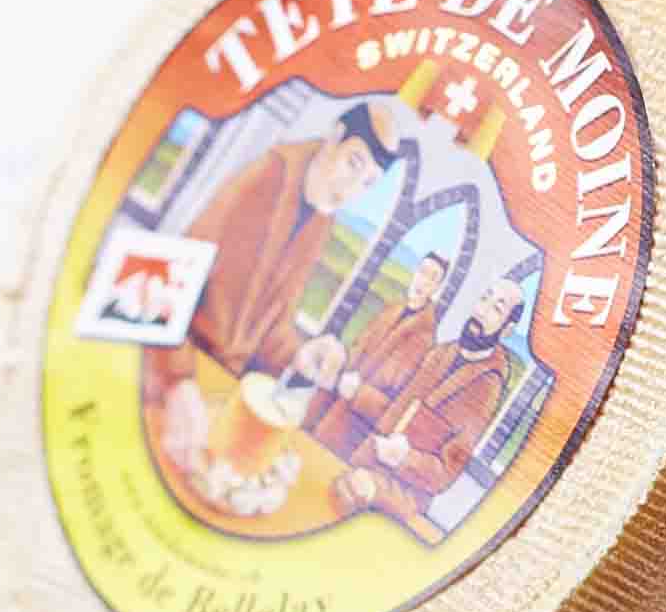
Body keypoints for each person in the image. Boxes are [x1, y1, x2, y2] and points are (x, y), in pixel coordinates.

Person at [185, 106, 390, 391]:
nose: (350, 189)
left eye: (368, 183)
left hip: (225, 376)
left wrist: (300, 357)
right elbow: (186, 271)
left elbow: (272, 323)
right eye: (353, 164)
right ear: (334, 138)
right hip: (185, 356)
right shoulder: (271, 171)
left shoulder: (321, 220)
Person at [336, 263, 535, 531]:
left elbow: (445, 473)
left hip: (397, 498)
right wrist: (353, 389)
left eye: (496, 309)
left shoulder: (487, 386)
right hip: (361, 463)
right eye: (484, 299)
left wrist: (404, 458)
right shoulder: (440, 353)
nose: (481, 312)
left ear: (507, 330)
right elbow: (393, 408)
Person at [310, 247, 452, 474]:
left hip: (355, 422)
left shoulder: (424, 336)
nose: (423, 281)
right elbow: (359, 345)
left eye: (432, 278)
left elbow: (393, 392)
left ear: (437, 288)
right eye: (422, 272)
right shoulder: (392, 309)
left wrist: (357, 391)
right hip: (335, 396)